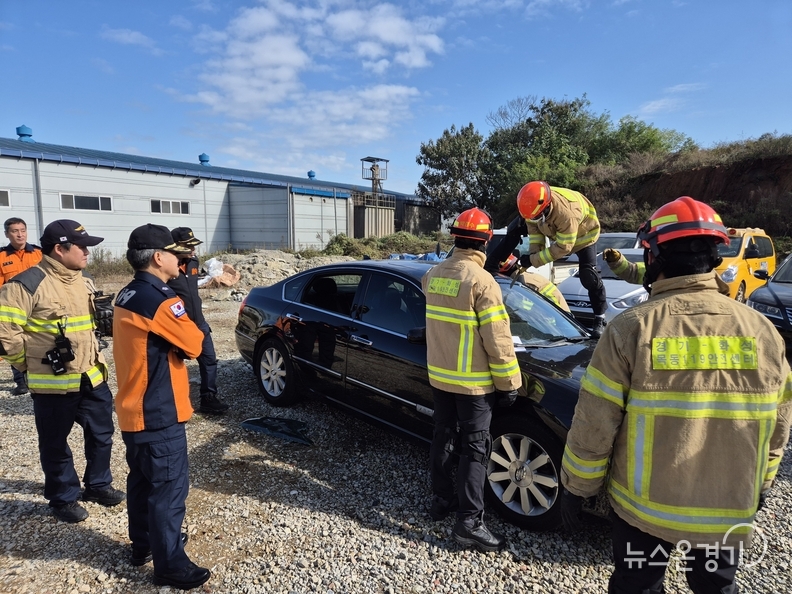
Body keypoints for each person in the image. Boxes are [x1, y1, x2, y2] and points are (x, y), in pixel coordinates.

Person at [559, 197, 792, 594]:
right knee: (716, 586)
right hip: (725, 510)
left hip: (643, 512)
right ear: (715, 256)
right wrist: (762, 486)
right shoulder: (762, 331)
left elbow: (595, 424)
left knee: (639, 582)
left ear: (653, 256)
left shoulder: (630, 329)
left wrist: (576, 488)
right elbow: (778, 427)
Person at [0, 219, 125, 522]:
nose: (87, 253)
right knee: (55, 443)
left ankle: (98, 485)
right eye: (81, 247)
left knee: (102, 434)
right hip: (53, 383)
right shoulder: (25, 284)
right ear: (59, 248)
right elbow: (6, 333)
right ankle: (63, 497)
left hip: (91, 375)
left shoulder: (84, 280)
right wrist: (25, 366)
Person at [113, 223, 211, 590]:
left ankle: (144, 545)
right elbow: (195, 343)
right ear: (158, 257)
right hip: (158, 410)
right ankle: (170, 564)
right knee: (168, 491)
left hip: (133, 405)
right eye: (174, 252)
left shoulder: (128, 293)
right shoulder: (160, 299)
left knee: (142, 482)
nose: (181, 257)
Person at [422, 207, 521, 552]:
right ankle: (469, 524)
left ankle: (441, 500)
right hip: (474, 386)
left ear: (454, 238)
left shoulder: (432, 275)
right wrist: (510, 384)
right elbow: (498, 340)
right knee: (476, 451)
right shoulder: (482, 282)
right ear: (486, 240)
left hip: (440, 378)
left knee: (443, 438)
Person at [491, 181, 606, 336]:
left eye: (537, 216)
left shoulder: (567, 214)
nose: (534, 218)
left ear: (546, 206)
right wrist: (533, 254)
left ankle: (600, 318)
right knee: (515, 227)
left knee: (589, 276)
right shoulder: (532, 207)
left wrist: (533, 260)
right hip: (559, 232)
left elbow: (564, 247)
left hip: (584, 236)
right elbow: (535, 231)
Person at [168, 227, 229, 415]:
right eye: (189, 246)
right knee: (172, 364)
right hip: (177, 325)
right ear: (175, 246)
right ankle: (172, 402)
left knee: (209, 360)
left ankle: (208, 398)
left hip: (199, 322)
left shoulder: (194, 262)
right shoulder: (166, 267)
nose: (194, 251)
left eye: (194, 246)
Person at [1, 217, 43, 395]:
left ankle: (38, 376)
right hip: (14, 309)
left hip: (39, 306)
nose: (20, 234)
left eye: (23, 230)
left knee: (40, 341)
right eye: (15, 231)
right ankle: (21, 381)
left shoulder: (39, 253)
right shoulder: (2, 257)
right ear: (7, 234)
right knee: (13, 343)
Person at [498, 252, 570, 312]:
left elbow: (524, 309)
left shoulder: (523, 283)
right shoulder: (523, 277)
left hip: (554, 322)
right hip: (559, 317)